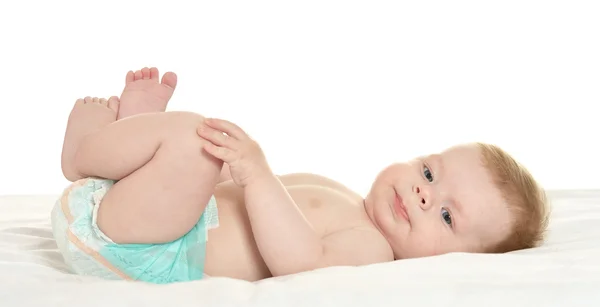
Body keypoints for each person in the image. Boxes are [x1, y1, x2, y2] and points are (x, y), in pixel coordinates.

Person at [50, 67, 550, 284]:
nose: (422, 193)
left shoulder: (371, 249)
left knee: (190, 139)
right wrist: (224, 169)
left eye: (445, 214)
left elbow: (302, 261)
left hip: (151, 251)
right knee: (203, 147)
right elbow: (232, 200)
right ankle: (132, 141)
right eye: (429, 172)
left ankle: (84, 154)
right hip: (145, 218)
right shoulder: (347, 199)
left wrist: (258, 174)